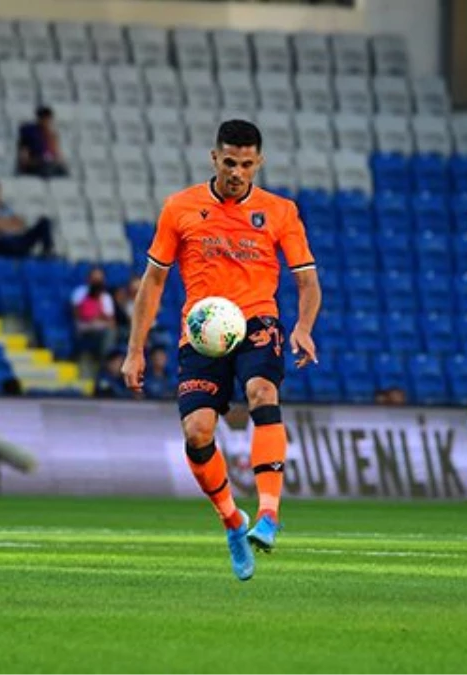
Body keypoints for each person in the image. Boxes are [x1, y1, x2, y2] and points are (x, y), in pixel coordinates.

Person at [121, 120, 321, 581]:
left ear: (259, 163)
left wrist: (304, 327)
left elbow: (307, 281)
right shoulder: (180, 208)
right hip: (203, 330)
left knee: (262, 392)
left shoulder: (280, 211)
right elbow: (153, 282)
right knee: (197, 431)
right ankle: (233, 520)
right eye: (229, 162)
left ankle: (269, 515)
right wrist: (135, 350)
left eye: (247, 164)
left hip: (257, 319)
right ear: (214, 158)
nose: (237, 172)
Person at [0, 178, 54, 258]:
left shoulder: (6, 208)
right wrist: (9, 224)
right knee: (7, 241)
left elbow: (21, 224)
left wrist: (0, 223)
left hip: (15, 240)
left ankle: (47, 251)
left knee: (44, 222)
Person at [71, 266, 116, 360]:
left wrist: (99, 320)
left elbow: (111, 320)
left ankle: (105, 359)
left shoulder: (106, 296)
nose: (97, 282)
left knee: (111, 331)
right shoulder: (79, 292)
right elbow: (76, 315)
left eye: (99, 279)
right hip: (84, 326)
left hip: (101, 326)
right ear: (89, 279)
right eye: (95, 279)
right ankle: (105, 360)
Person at [16, 106, 67, 178]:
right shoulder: (29, 133)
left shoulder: (52, 135)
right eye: (45, 119)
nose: (47, 122)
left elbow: (57, 154)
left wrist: (57, 161)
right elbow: (24, 157)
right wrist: (36, 161)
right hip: (35, 165)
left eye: (49, 119)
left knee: (63, 172)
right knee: (46, 169)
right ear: (39, 119)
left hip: (49, 164)